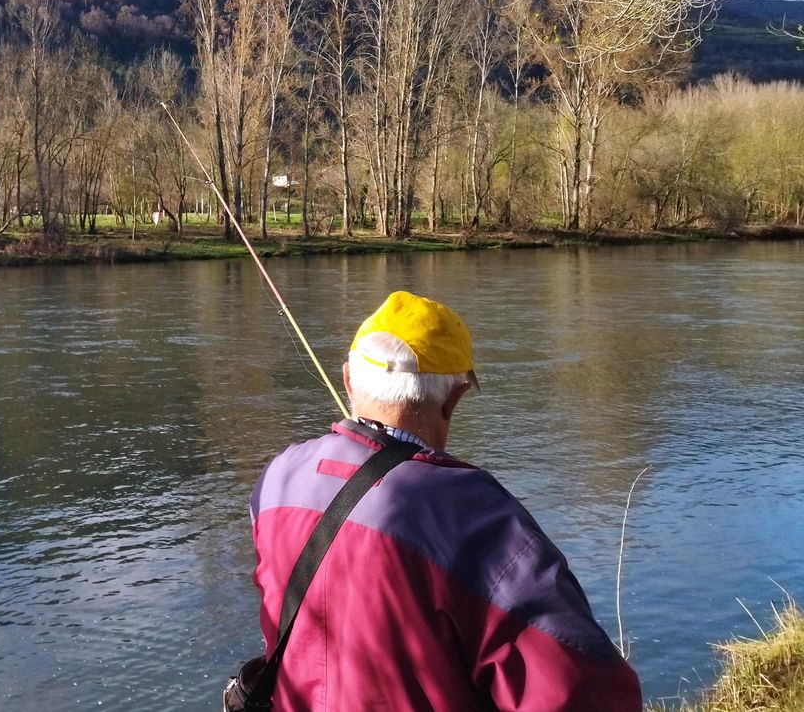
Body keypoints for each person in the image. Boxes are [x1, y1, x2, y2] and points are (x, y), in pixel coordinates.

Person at [247, 290, 642, 710]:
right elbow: (581, 690)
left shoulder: (278, 477)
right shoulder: (476, 515)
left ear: (348, 379)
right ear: (455, 398)